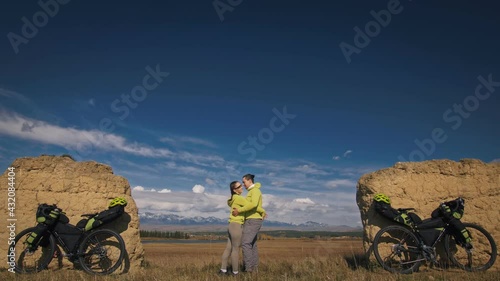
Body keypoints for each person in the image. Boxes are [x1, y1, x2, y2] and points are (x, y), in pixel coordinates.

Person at [220, 180, 265, 276]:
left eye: (241, 185)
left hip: (231, 225)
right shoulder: (239, 198)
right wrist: (262, 211)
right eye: (239, 186)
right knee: (236, 249)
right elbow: (252, 205)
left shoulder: (233, 198)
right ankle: (235, 272)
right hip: (237, 225)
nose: (242, 187)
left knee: (228, 248)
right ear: (235, 190)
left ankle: (223, 270)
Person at [232, 174, 264, 273]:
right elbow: (254, 205)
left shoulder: (255, 191)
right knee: (252, 245)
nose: (243, 184)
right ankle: (254, 270)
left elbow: (253, 204)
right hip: (251, 219)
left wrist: (239, 210)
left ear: (250, 181)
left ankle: (249, 270)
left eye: (244, 182)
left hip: (252, 220)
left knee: (245, 243)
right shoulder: (252, 192)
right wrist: (262, 211)